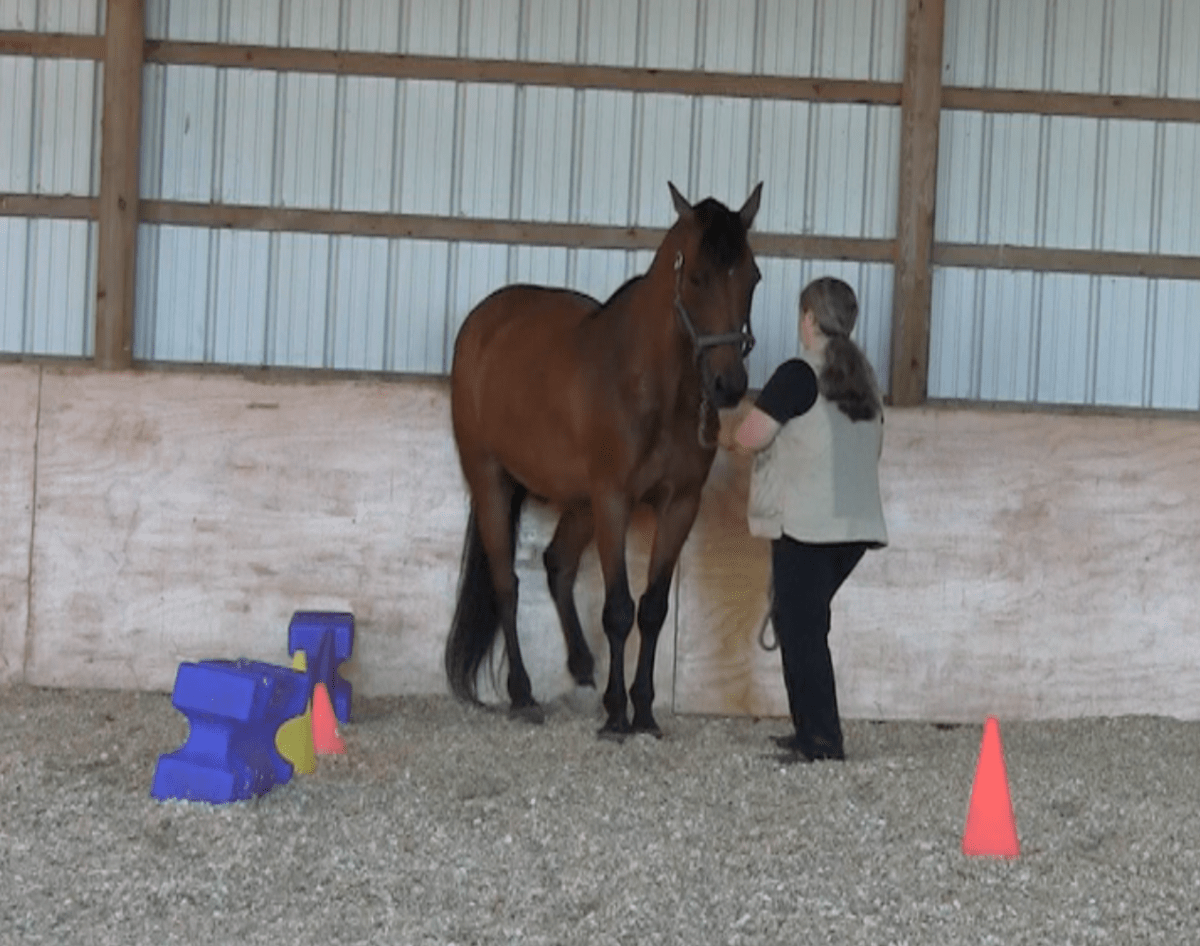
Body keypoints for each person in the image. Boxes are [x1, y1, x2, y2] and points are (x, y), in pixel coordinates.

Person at [730, 276, 887, 762]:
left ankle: (822, 741)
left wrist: (726, 433)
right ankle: (808, 731)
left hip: (809, 525)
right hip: (856, 527)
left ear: (809, 319)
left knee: (802, 631)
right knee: (800, 623)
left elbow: (750, 438)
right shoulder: (864, 380)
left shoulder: (798, 375)